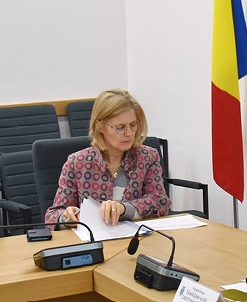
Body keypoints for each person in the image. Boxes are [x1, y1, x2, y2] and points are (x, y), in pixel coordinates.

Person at [44, 89, 170, 226]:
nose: (129, 133)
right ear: (99, 126)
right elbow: (52, 216)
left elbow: (161, 202)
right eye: (120, 127)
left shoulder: (147, 157)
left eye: (133, 125)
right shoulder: (76, 162)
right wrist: (65, 217)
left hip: (137, 236)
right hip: (93, 237)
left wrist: (124, 209)